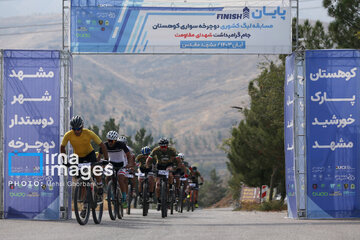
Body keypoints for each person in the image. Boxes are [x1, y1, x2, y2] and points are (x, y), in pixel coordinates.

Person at [60, 116, 109, 217]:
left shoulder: (89, 133)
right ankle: (84, 206)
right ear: (72, 129)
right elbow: (62, 147)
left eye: (79, 129)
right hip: (78, 157)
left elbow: (102, 145)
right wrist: (65, 161)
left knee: (96, 168)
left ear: (82, 127)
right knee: (82, 181)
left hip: (89, 154)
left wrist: (106, 159)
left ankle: (99, 185)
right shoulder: (68, 135)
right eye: (74, 129)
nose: (77, 131)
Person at [145, 137, 184, 210]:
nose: (163, 148)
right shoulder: (156, 150)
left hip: (169, 165)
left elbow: (178, 160)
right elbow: (149, 159)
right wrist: (147, 167)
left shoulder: (171, 150)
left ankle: (170, 187)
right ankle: (159, 200)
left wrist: (178, 168)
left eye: (165, 146)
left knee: (169, 173)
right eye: (162, 146)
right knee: (158, 184)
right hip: (159, 166)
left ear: (167, 146)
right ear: (159, 146)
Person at [97, 130, 132, 208]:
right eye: (109, 140)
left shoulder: (121, 145)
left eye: (112, 141)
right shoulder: (104, 145)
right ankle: (110, 193)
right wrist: (98, 164)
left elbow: (129, 155)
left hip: (121, 165)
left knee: (120, 178)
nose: (110, 142)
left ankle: (124, 197)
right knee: (108, 177)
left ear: (115, 141)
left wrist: (129, 164)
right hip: (111, 164)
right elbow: (99, 157)